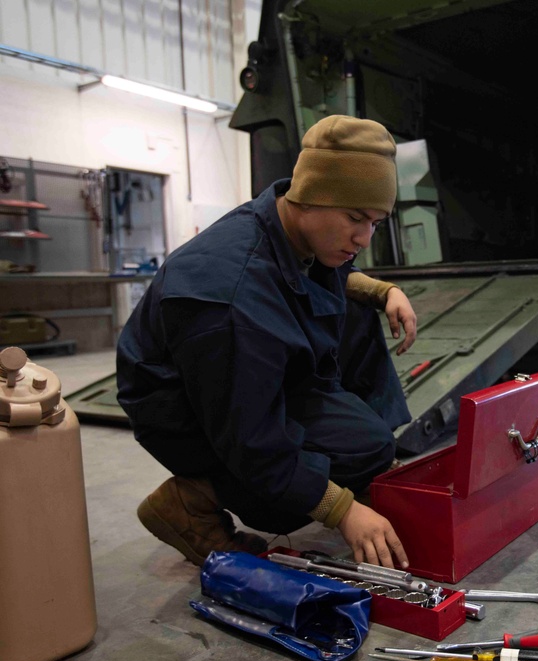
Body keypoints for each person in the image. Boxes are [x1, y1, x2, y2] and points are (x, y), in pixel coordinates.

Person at [117, 115, 418, 569]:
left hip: (241, 372)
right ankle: (192, 501)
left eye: (375, 222)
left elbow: (322, 269)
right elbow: (252, 442)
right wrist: (340, 509)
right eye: (356, 218)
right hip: (183, 410)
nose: (364, 237)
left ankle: (348, 471)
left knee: (371, 443)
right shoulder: (232, 300)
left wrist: (381, 290)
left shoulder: (289, 221)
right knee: (307, 477)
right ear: (312, 195)